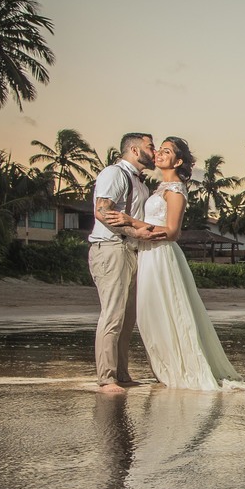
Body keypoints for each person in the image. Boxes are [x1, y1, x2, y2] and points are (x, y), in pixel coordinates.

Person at [104, 137, 240, 391]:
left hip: (161, 254)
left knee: (164, 312)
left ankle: (178, 369)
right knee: (150, 315)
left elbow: (173, 232)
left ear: (178, 162)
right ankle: (165, 368)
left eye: (166, 151)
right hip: (148, 253)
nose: (159, 154)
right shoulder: (160, 187)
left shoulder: (176, 189)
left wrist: (130, 221)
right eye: (160, 150)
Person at [89, 132, 162, 394]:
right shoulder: (115, 173)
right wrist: (134, 233)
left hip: (130, 251)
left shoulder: (139, 182)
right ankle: (106, 378)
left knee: (127, 317)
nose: (154, 152)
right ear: (134, 150)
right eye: (150, 147)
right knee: (113, 315)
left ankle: (121, 373)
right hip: (111, 248)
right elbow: (101, 210)